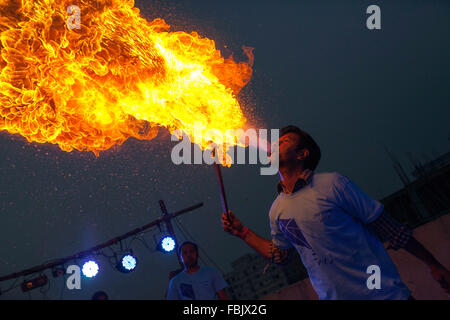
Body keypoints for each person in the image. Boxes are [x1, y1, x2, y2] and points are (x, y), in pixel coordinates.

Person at [222, 125, 450, 300]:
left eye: (284, 141)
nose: (275, 143)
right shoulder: (276, 210)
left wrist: (433, 264)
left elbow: (389, 229)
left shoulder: (333, 184)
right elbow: (281, 256)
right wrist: (243, 232)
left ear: (302, 154)